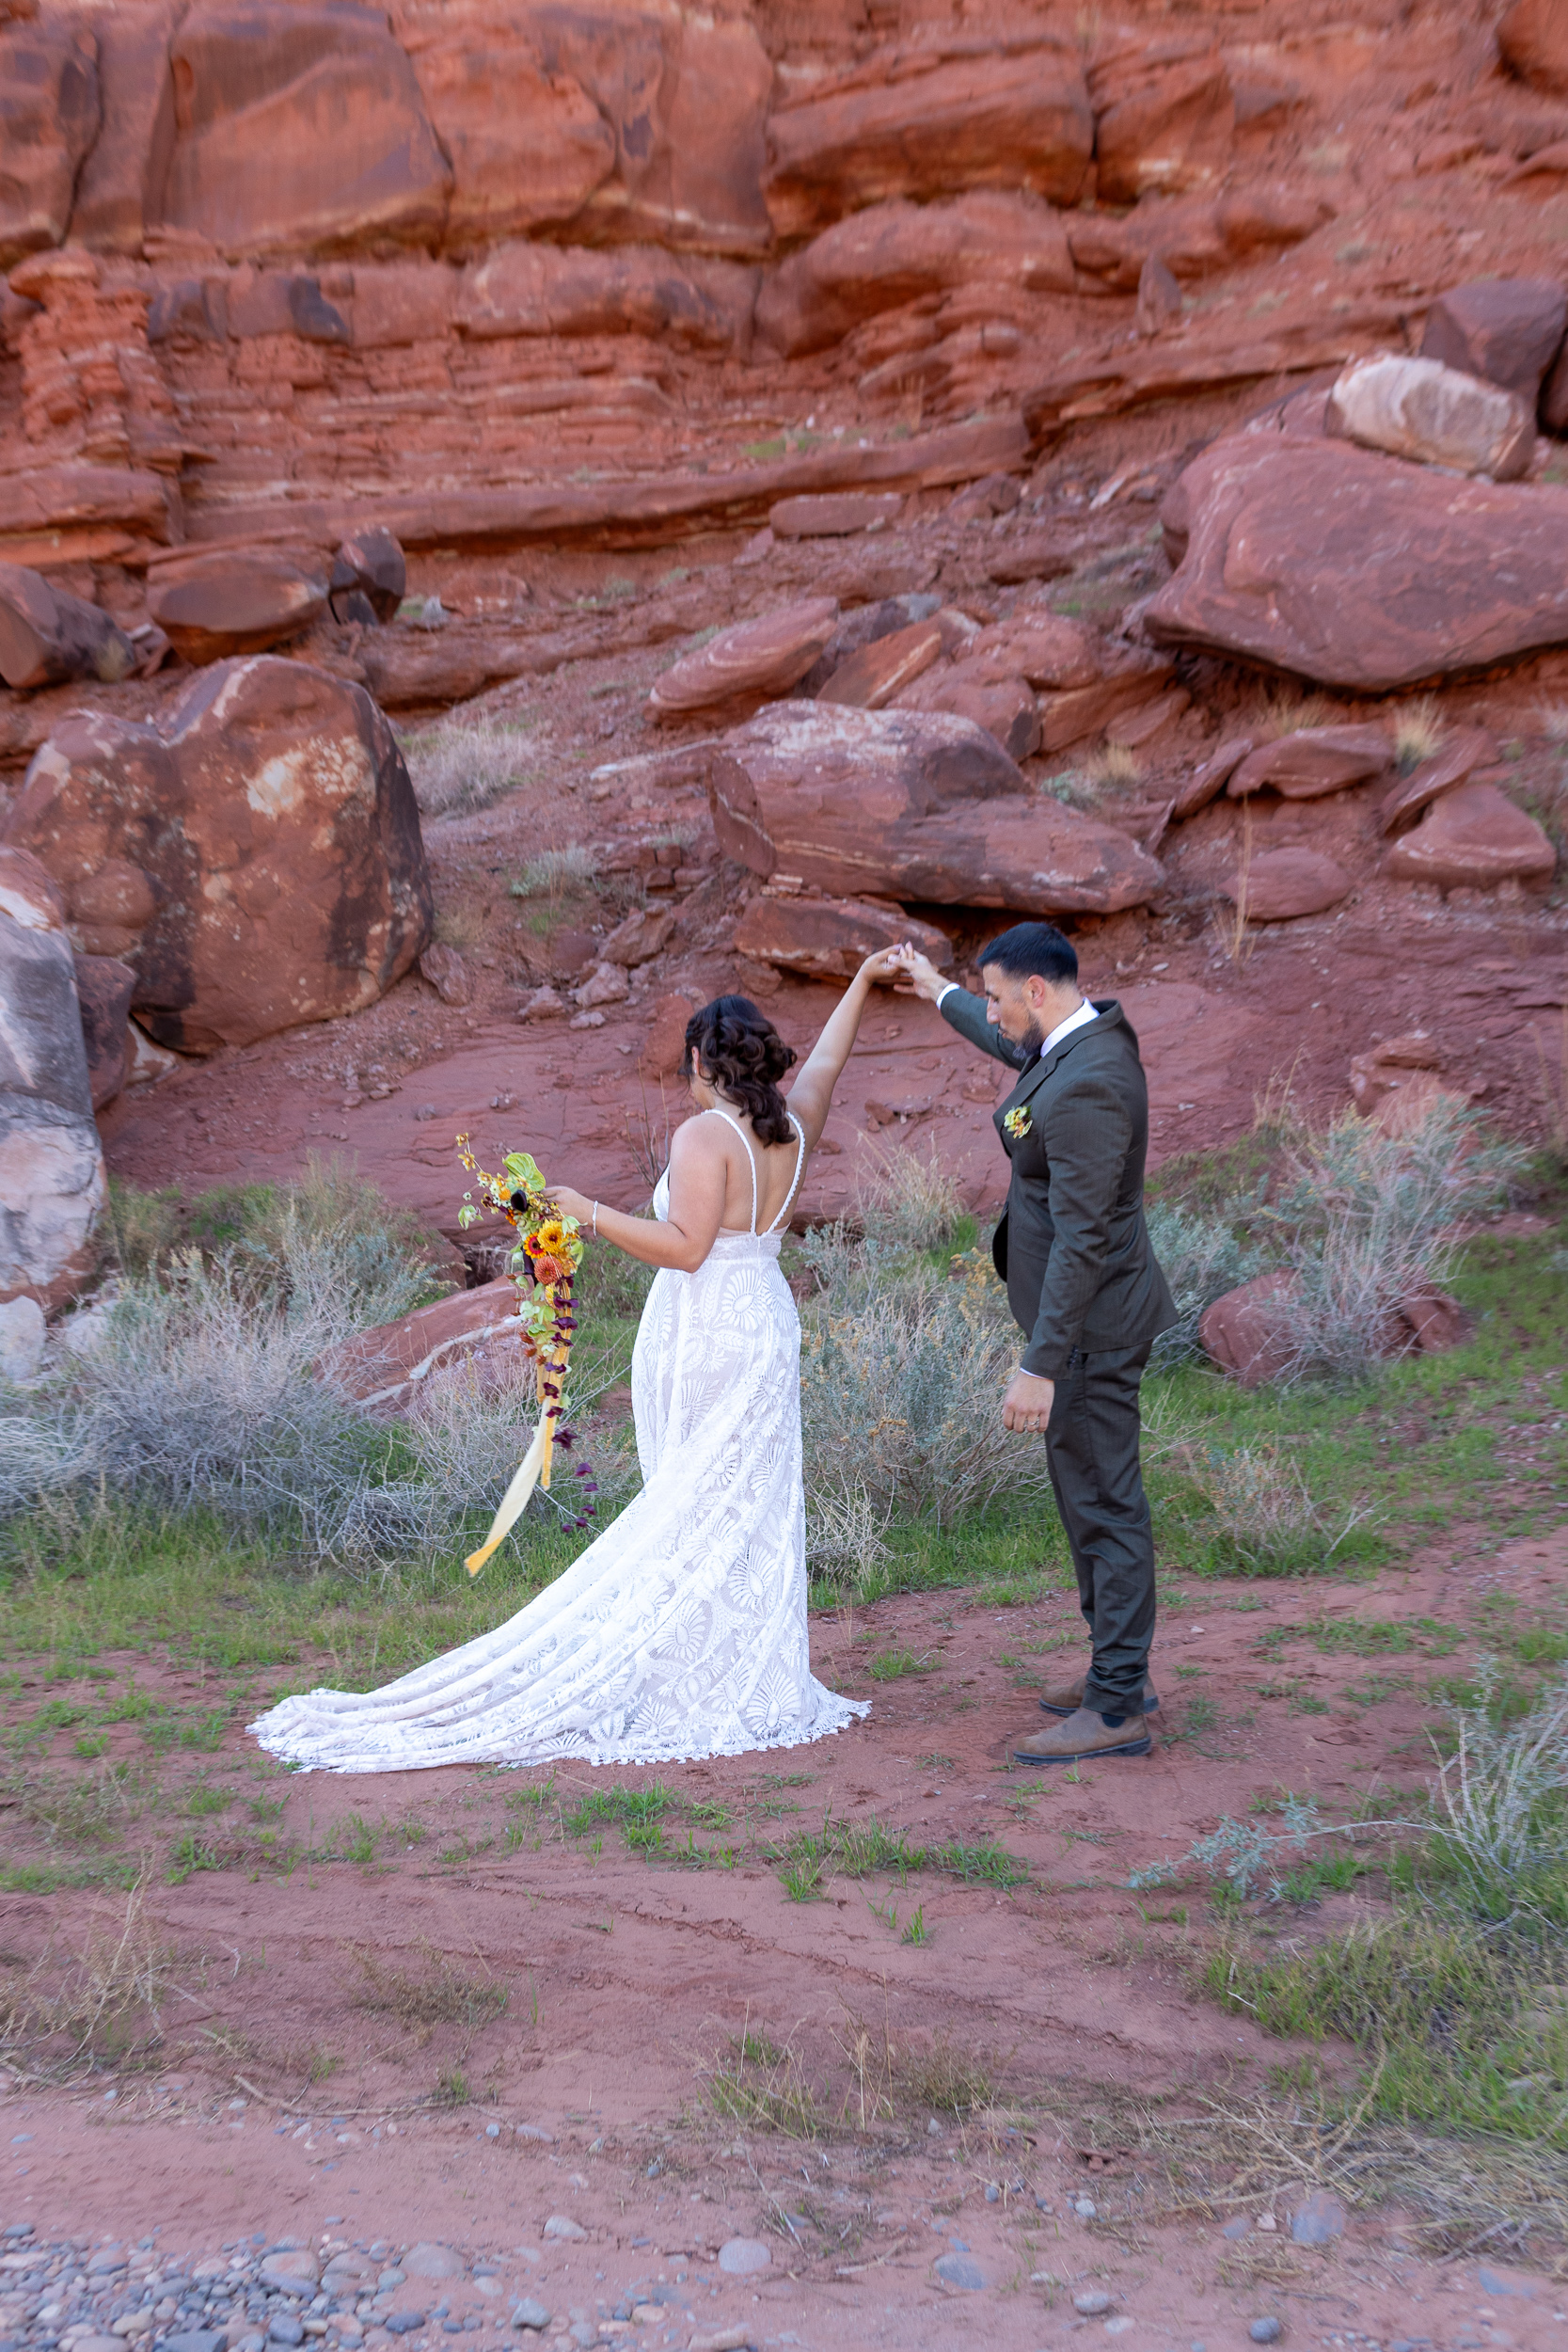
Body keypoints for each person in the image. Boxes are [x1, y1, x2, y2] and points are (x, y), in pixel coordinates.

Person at [249, 956, 902, 1775]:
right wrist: (865, 981)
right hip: (763, 1323)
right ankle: (737, 1667)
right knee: (744, 1495)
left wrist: (588, 1211)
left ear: (701, 1062)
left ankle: (691, 1674)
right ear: (767, 1061)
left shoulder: (705, 1134)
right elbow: (831, 1061)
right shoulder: (791, 1129)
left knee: (690, 1498)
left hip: (703, 1331)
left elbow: (688, 1249)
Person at [892, 924, 1176, 1766]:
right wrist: (932, 989)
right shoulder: (1069, 1044)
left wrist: (1038, 1365)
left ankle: (1119, 1702)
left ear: (1038, 993)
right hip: (1082, 1327)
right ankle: (1114, 1673)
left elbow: (1086, 1238)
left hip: (1088, 1333)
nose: (992, 1010)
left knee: (1104, 1505)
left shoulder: (1089, 1083)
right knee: (1089, 1499)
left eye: (996, 995)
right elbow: (1004, 1043)